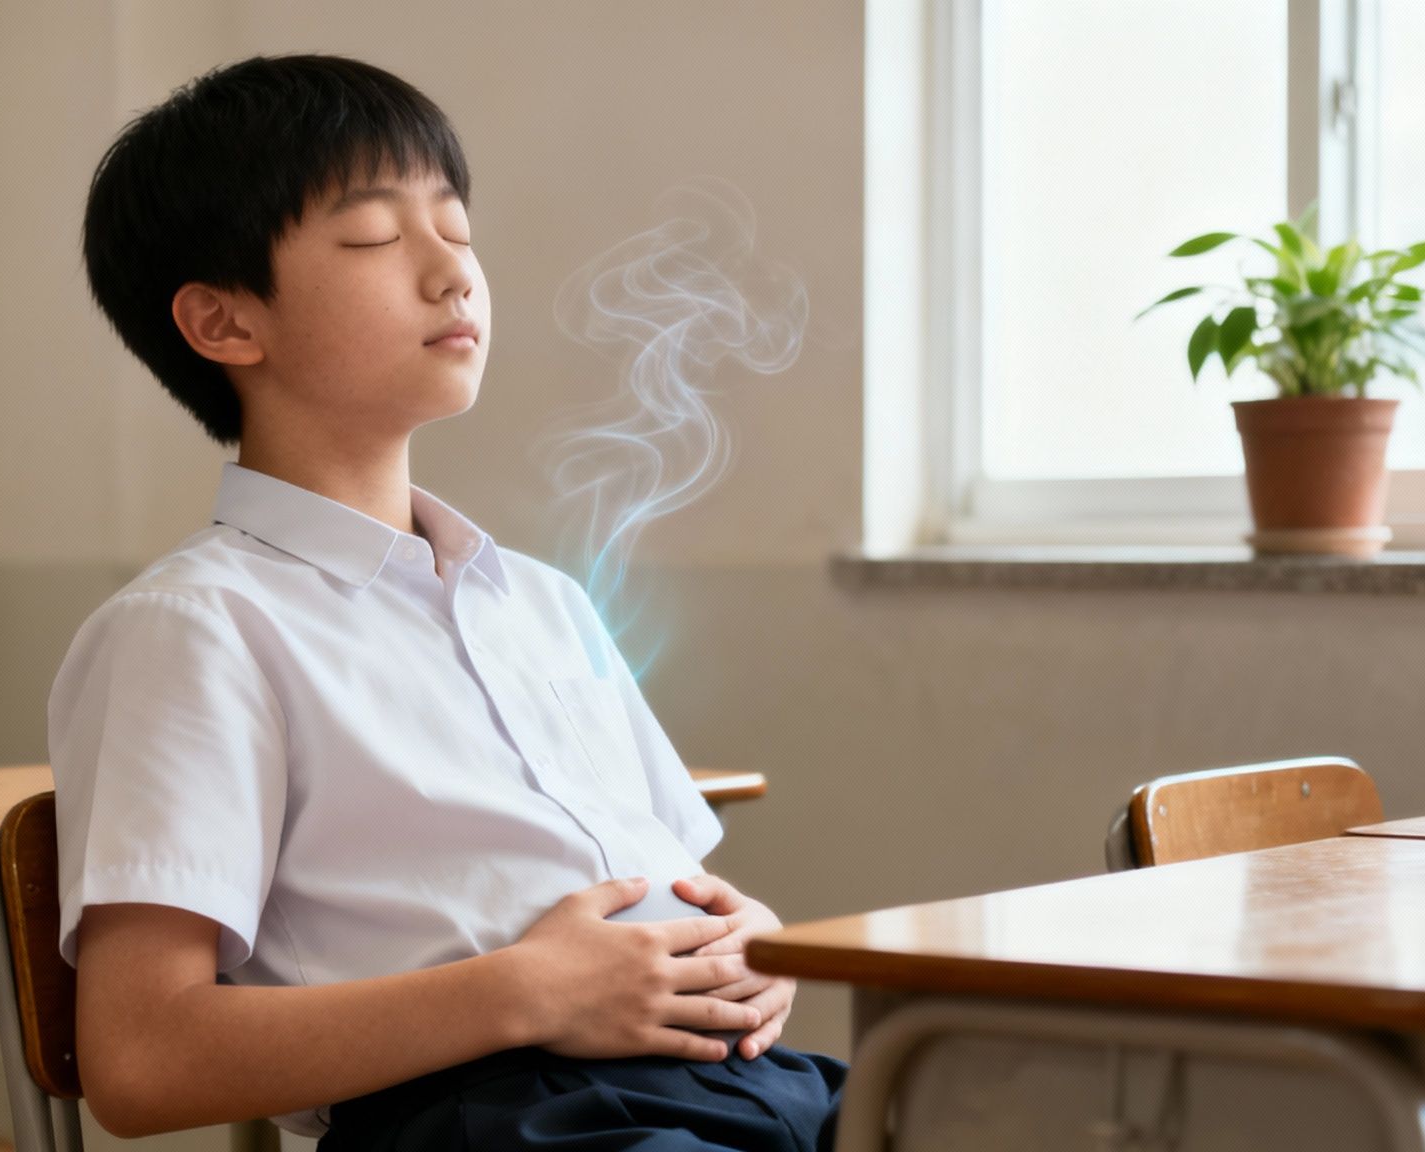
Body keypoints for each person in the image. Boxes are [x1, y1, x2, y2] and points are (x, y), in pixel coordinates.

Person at [51, 52, 846, 1150]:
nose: (451, 273)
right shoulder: (194, 631)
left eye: (458, 232)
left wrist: (742, 943)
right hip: (490, 1119)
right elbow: (141, 1063)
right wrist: (527, 992)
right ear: (225, 324)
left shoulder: (542, 603)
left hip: (733, 1088)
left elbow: (664, 889)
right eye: (378, 238)